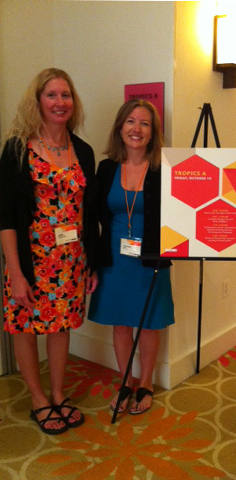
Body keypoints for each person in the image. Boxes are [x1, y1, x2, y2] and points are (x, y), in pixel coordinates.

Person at [0, 68, 99, 435]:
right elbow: (6, 217)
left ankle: (58, 393)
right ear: (37, 101)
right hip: (28, 260)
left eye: (66, 95)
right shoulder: (16, 149)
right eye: (52, 95)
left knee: (60, 327)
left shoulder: (83, 151)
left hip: (71, 260)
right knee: (25, 327)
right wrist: (15, 271)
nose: (60, 102)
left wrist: (92, 263)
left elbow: (90, 213)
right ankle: (38, 399)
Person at [88, 99, 174, 415]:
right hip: (114, 256)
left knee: (149, 323)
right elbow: (95, 217)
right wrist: (93, 263)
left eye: (144, 123)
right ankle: (126, 380)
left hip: (149, 257)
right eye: (130, 122)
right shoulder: (106, 167)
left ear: (153, 133)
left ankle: (147, 382)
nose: (136, 129)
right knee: (121, 323)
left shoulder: (165, 168)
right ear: (120, 127)